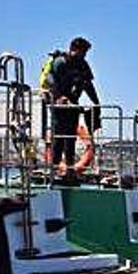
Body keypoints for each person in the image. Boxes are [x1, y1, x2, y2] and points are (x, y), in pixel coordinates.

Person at [45, 37, 100, 181]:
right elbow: (50, 79)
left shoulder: (83, 65)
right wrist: (59, 97)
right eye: (82, 52)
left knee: (71, 138)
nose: (84, 55)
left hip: (73, 105)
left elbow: (88, 85)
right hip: (59, 104)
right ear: (73, 49)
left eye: (85, 53)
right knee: (59, 137)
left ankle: (69, 170)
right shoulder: (60, 62)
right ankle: (54, 169)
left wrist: (96, 102)